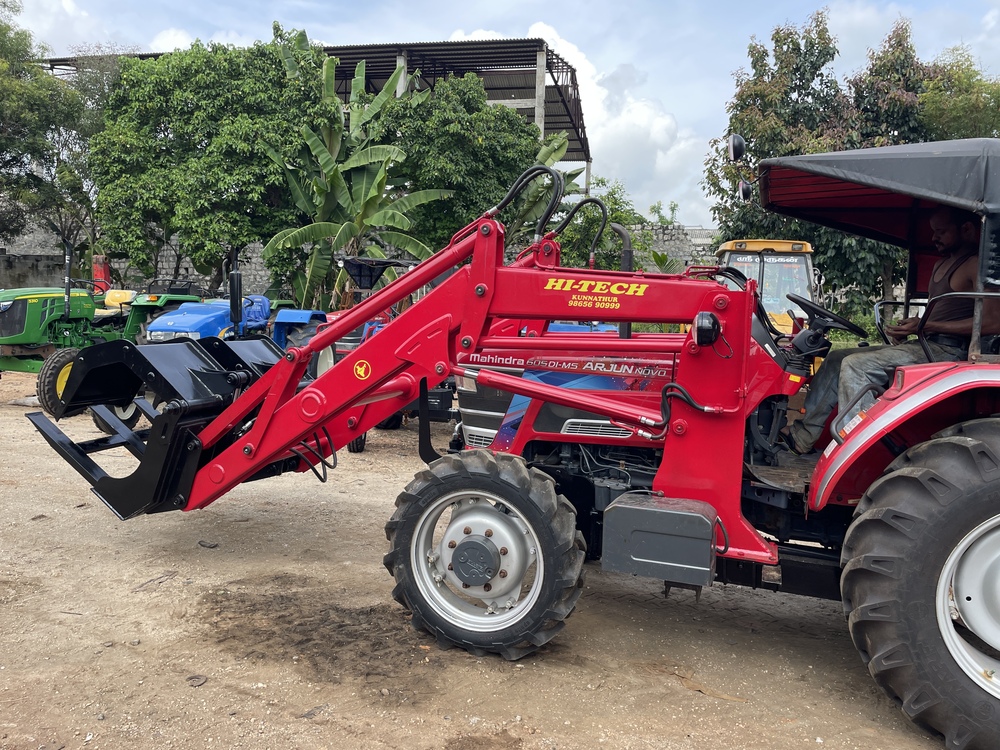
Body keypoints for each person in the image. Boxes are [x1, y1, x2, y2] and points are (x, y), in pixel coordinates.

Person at [784, 207, 999, 455]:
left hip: (950, 351)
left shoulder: (976, 267)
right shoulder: (943, 264)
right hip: (925, 343)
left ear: (967, 229)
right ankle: (802, 437)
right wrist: (911, 325)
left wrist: (927, 325)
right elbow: (937, 313)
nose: (933, 238)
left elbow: (993, 322)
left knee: (857, 366)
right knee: (835, 359)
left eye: (941, 231)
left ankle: (857, 450)